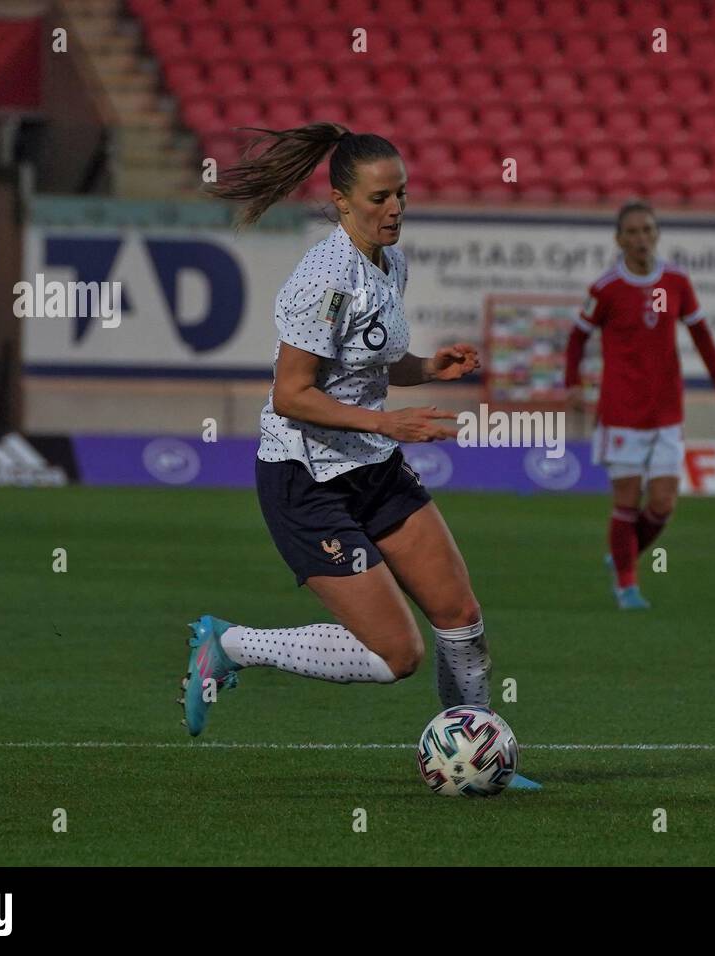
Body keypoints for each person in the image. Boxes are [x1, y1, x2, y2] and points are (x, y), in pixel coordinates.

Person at [185, 121, 539, 790]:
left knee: (460, 617)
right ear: (341, 201)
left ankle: (478, 756)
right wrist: (387, 420)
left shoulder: (389, 260)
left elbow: (372, 360)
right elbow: (292, 395)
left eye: (401, 194)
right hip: (306, 477)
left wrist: (426, 365)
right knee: (396, 654)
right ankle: (227, 644)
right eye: (379, 198)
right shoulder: (325, 278)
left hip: (369, 462)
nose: (395, 209)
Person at [565, 200, 715, 609]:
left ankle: (623, 553)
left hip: (666, 411)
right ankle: (627, 585)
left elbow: (701, 334)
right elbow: (577, 337)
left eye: (648, 231)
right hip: (622, 411)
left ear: (657, 234)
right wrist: (572, 383)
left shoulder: (676, 281)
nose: (642, 239)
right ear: (619, 239)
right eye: (633, 232)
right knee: (626, 500)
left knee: (662, 503)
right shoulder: (605, 288)